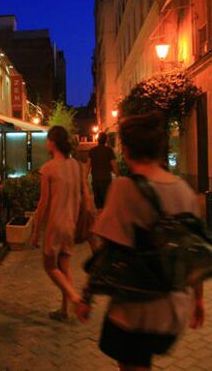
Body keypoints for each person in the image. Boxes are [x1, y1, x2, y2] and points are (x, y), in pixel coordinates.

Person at [76, 112, 204, 371]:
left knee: (131, 361)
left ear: (126, 149)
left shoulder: (124, 188)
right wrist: (198, 300)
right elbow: (193, 251)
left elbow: (109, 249)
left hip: (137, 306)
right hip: (174, 308)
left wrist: (87, 295)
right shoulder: (184, 190)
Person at [31, 126, 89, 321]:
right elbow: (84, 195)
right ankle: (64, 311)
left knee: (49, 266)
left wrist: (35, 231)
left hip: (55, 225)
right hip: (71, 224)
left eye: (48, 140)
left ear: (53, 142)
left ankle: (74, 298)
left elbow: (43, 203)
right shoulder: (76, 166)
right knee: (64, 265)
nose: (46, 143)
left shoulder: (48, 169)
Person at [86, 132, 119, 209]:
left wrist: (84, 179)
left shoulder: (92, 151)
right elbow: (114, 164)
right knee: (106, 202)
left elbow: (87, 166)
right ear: (106, 140)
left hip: (96, 179)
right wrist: (118, 175)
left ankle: (99, 216)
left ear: (98, 140)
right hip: (106, 180)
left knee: (98, 203)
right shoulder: (109, 151)